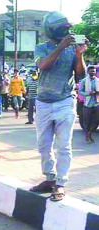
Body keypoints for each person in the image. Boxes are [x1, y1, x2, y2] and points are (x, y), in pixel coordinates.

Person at [30, 11, 88, 202]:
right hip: (43, 103)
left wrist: (79, 55)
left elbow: (80, 75)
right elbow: (44, 66)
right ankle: (50, 178)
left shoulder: (72, 50)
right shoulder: (41, 48)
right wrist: (61, 47)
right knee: (43, 145)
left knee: (64, 146)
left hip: (65, 101)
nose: (67, 32)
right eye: (64, 29)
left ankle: (60, 184)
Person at [79, 66, 98, 143]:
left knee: (96, 121)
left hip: (96, 103)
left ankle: (89, 133)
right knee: (86, 121)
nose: (92, 72)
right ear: (88, 72)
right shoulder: (84, 81)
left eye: (93, 71)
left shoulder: (98, 80)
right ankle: (87, 134)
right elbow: (80, 91)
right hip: (87, 104)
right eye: (91, 71)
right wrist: (88, 93)